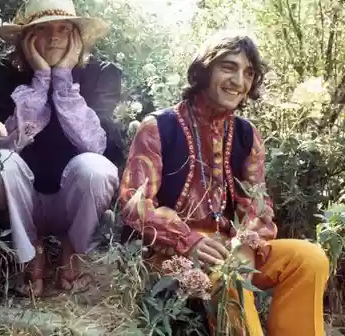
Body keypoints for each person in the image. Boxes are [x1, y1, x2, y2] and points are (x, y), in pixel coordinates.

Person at [119, 30, 330, 336]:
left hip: (229, 248)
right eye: (228, 67)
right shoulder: (158, 128)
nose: (239, 81)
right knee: (230, 274)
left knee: (309, 259)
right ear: (204, 70)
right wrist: (187, 241)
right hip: (170, 254)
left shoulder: (247, 135)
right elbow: (134, 204)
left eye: (248, 73)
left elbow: (258, 206)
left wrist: (245, 242)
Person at [0, 0, 124, 297]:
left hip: (74, 201)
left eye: (63, 28)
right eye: (42, 29)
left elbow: (96, 145)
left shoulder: (102, 73)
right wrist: (40, 79)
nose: (54, 37)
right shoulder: (1, 72)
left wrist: (61, 80)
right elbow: (6, 143)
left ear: (76, 35)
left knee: (95, 168)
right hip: (23, 200)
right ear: (27, 37)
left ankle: (73, 251)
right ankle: (29, 252)